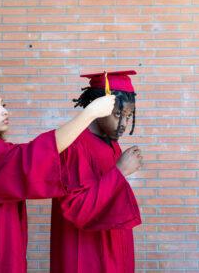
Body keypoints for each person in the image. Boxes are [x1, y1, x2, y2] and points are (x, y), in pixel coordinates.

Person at [0, 66, 116, 273]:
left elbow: (32, 159)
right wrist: (90, 113)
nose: (5, 111)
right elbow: (32, 158)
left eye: (3, 104)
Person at [50, 70, 142, 273]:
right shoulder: (73, 145)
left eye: (128, 115)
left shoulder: (110, 142)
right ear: (99, 107)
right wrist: (120, 171)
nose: (124, 124)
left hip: (114, 245)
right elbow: (76, 208)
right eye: (118, 114)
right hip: (86, 251)